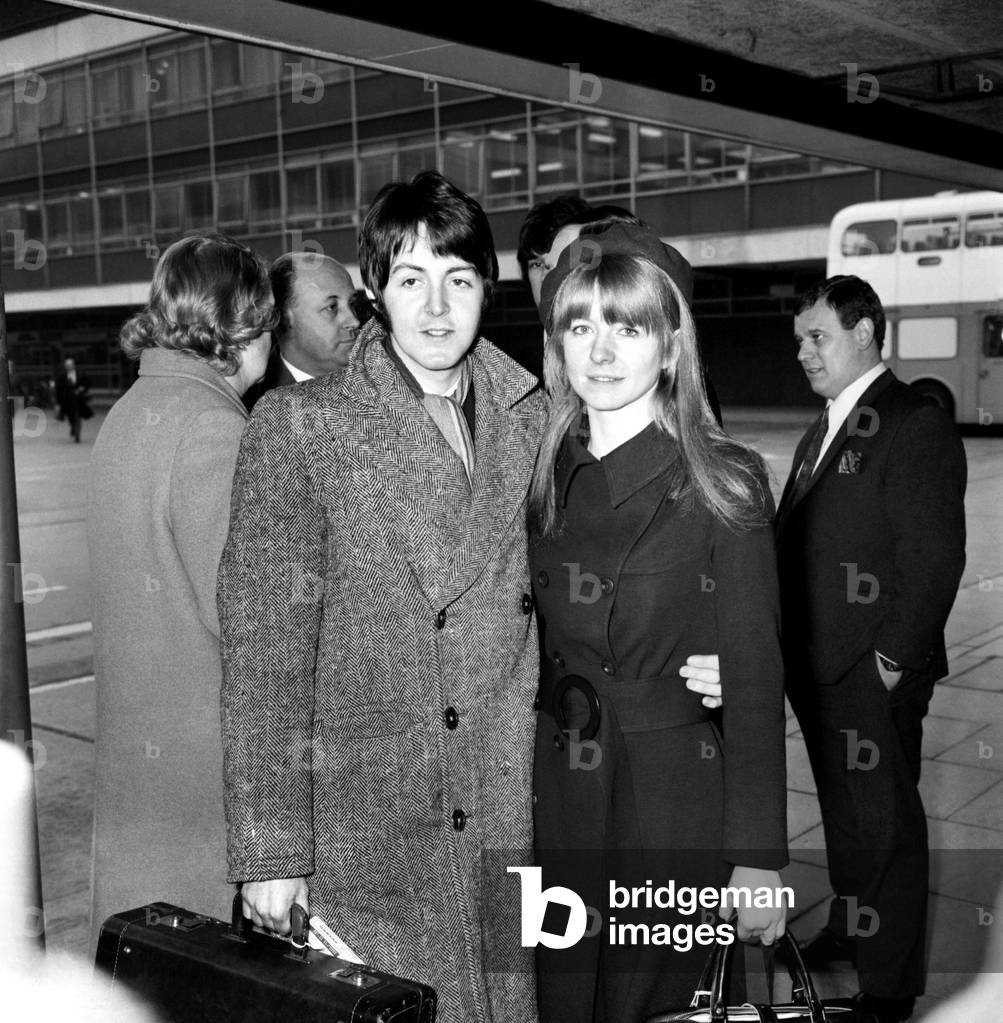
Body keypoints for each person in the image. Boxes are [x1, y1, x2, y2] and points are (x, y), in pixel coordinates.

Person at [218, 170, 547, 1023]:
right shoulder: (300, 427)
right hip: (369, 829)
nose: (437, 308)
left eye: (459, 280)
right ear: (375, 291)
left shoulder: (533, 415)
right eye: (411, 280)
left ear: (488, 290)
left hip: (508, 809)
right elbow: (264, 654)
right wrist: (271, 850)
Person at [529, 222, 789, 1023]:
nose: (600, 351)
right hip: (560, 793)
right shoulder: (540, 474)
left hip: (668, 796)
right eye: (580, 326)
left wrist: (756, 859)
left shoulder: (723, 482)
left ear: (670, 345)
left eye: (627, 325)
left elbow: (752, 682)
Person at [776, 275, 967, 1023]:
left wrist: (889, 661)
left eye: (816, 336)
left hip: (868, 670)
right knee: (846, 815)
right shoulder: (824, 423)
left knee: (884, 826)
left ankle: (887, 993)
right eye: (798, 340)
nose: (802, 352)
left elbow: (934, 560)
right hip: (820, 668)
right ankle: (851, 931)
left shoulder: (908, 420)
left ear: (863, 331)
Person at [87, 233, 276, 943]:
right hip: (203, 800)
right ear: (242, 324)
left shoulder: (131, 414)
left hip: (141, 786)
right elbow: (251, 627)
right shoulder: (214, 429)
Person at [243, 252, 359, 410]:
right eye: (332, 307)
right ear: (282, 317)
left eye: (353, 304)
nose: (354, 321)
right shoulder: (253, 408)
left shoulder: (383, 376)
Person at [55, 356, 92, 442]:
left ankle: (77, 435)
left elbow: (87, 383)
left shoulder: (80, 374)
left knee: (78, 416)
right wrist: (58, 402)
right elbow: (58, 390)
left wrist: (81, 388)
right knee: (71, 417)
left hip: (78, 400)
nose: (69, 367)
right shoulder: (62, 377)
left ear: (73, 365)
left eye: (70, 365)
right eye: (67, 365)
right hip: (67, 401)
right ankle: (73, 427)